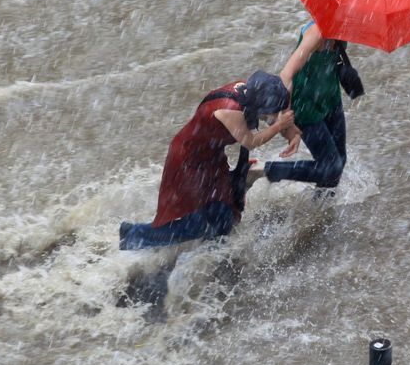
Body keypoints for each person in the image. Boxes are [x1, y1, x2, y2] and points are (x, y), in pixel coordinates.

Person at [119, 71, 294, 250]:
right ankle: (134, 235)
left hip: (210, 155)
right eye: (273, 112)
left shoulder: (252, 90)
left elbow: (275, 112)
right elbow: (251, 141)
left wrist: (291, 131)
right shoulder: (229, 109)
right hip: (188, 161)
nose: (274, 115)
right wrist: (279, 126)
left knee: (224, 214)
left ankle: (210, 252)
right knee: (200, 222)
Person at [255, 21, 349, 191]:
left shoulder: (344, 28)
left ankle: (320, 207)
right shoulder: (316, 33)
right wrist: (288, 123)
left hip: (331, 99)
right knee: (331, 168)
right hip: (305, 106)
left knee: (338, 163)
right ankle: (263, 170)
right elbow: (286, 75)